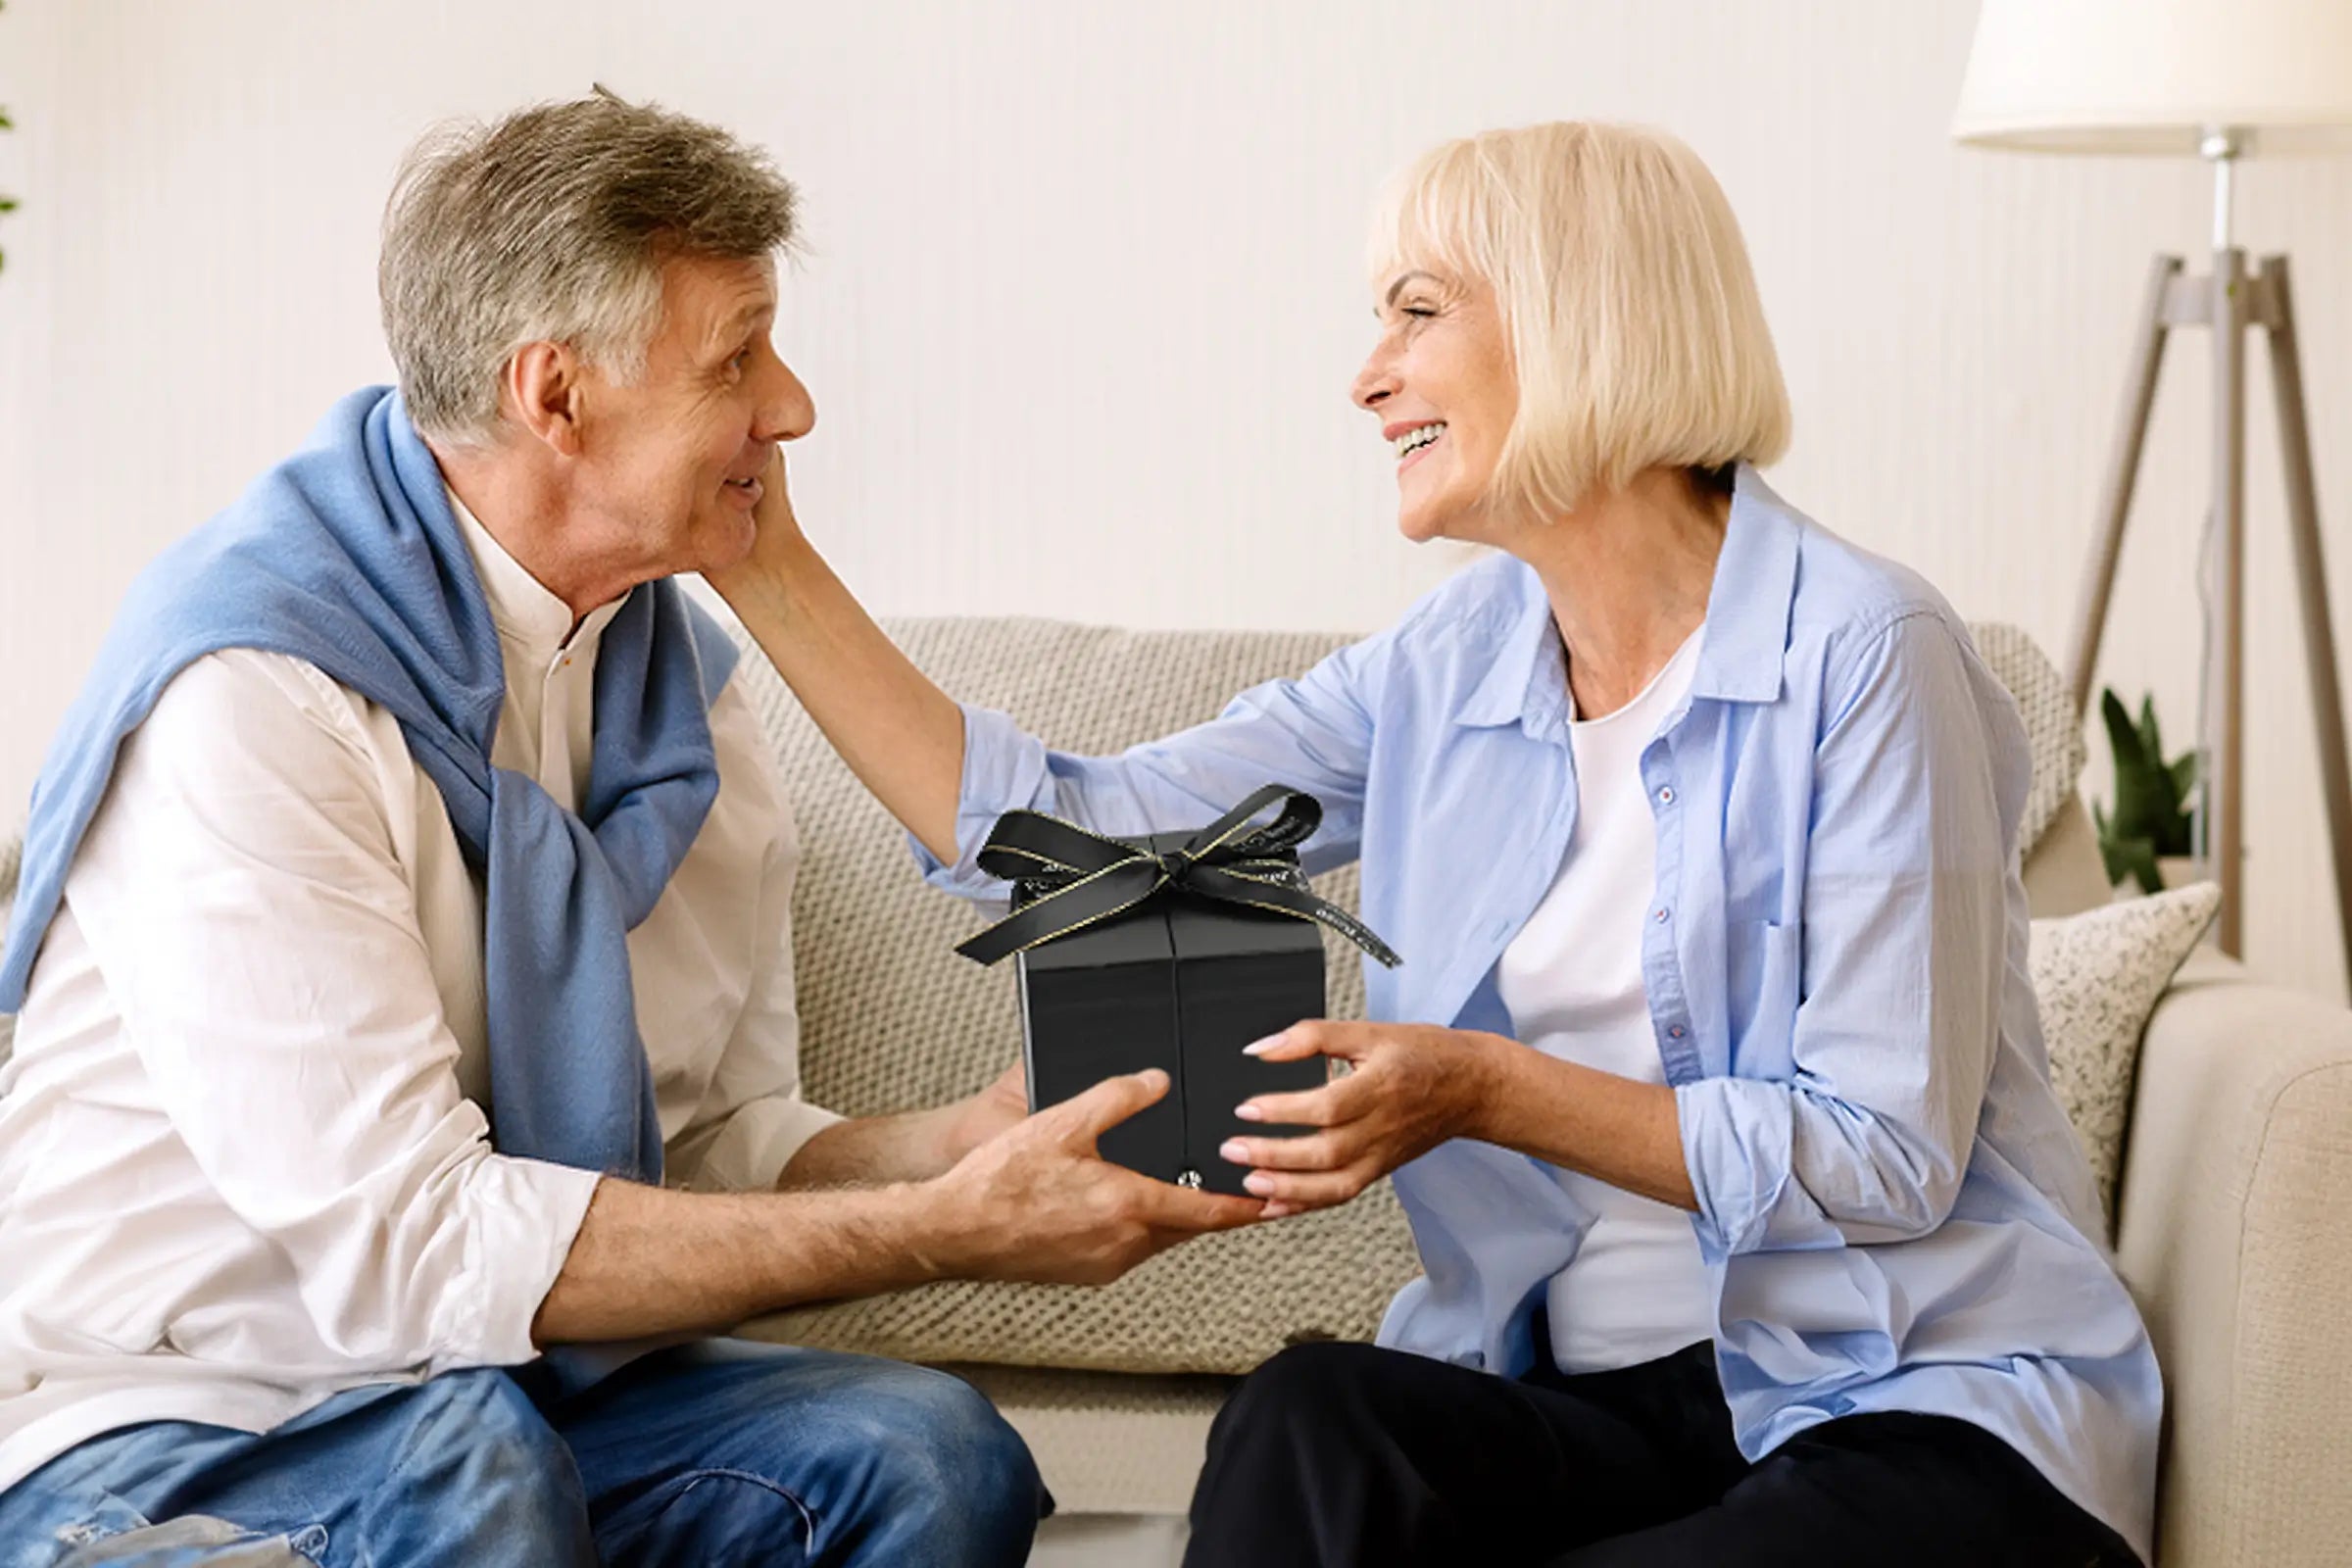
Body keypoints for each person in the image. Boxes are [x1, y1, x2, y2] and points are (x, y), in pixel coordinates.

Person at [704, 121, 2161, 1567]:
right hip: (1606, 1407)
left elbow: (1881, 1158)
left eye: (1418, 310)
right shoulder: (1453, 663)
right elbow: (1077, 840)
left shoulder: (1864, 652)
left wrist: (1480, 1087)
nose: (1368, 374)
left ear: (1586, 316)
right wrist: (758, 550)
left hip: (1910, 1403)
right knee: (1311, 1420)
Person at [0, 92, 1260, 1568]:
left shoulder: (681, 702)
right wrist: (942, 1233)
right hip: (182, 1414)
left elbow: (707, 1143)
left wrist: (942, 1152)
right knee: (472, 1471)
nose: (789, 409)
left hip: (516, 1396)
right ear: (556, 396)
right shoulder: (257, 692)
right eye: (737, 356)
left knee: (923, 1452)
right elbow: (410, 1248)